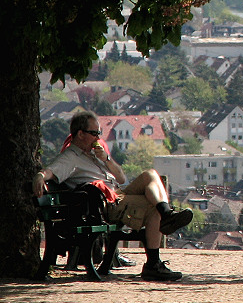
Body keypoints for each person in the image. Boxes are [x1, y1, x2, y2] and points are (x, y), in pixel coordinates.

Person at [33, 110, 193, 281]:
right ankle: (154, 262)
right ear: (80, 134)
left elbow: (122, 178)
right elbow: (52, 170)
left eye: (99, 133)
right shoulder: (71, 157)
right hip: (106, 204)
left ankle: (166, 213)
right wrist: (40, 176)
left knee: (150, 174)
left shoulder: (95, 153)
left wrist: (107, 159)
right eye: (94, 133)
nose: (98, 138)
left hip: (116, 194)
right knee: (153, 207)